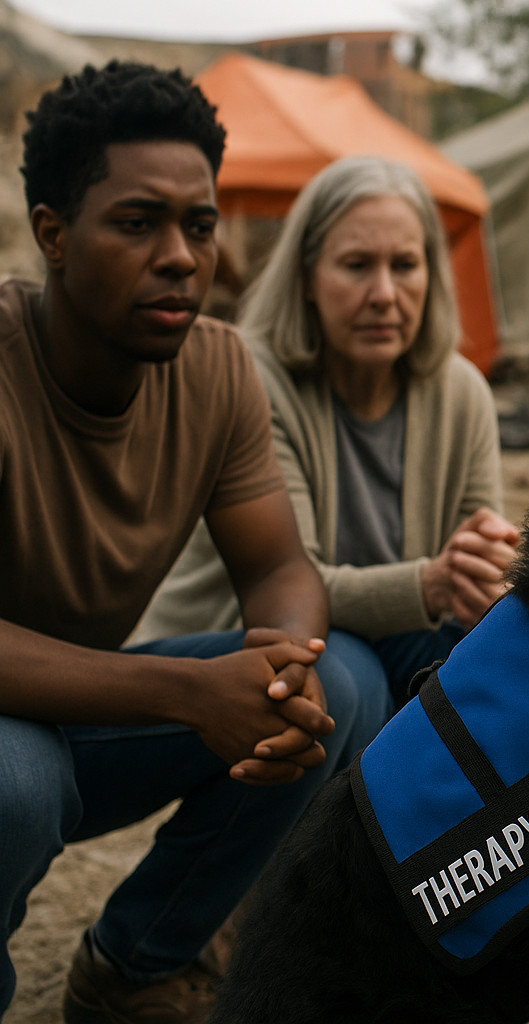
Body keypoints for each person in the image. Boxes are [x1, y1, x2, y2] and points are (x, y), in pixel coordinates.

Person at [0, 62, 391, 1023]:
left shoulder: (216, 368)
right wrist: (186, 692)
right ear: (53, 234)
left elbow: (279, 568)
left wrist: (284, 673)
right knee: (17, 781)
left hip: (84, 710)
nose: (180, 256)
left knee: (337, 687)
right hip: (20, 737)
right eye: (138, 224)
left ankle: (133, 967)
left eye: (200, 226)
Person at [136, 156, 518, 709]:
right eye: (357, 265)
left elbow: (472, 577)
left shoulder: (462, 391)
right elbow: (289, 583)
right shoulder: (252, 379)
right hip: (235, 644)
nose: (385, 294)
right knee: (348, 670)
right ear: (308, 278)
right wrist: (431, 585)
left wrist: (485, 570)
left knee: (491, 656)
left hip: (387, 642)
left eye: (405, 265)